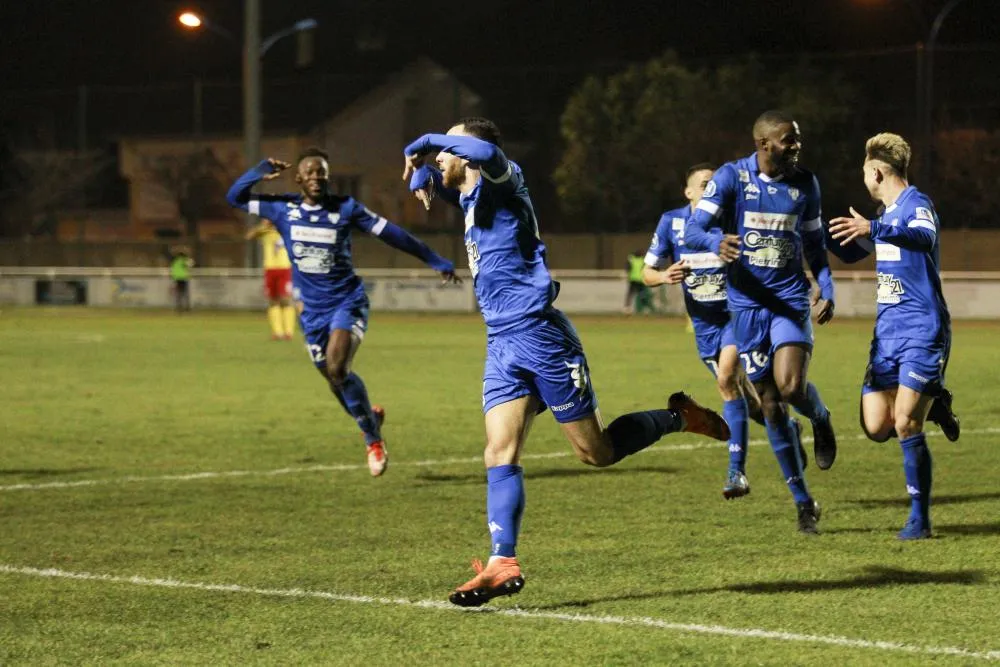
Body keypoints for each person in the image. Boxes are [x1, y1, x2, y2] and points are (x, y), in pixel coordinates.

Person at [403, 117, 730, 607]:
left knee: (594, 453)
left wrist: (425, 140)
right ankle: (502, 561)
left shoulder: (503, 176)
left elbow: (486, 158)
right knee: (498, 451)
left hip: (541, 336)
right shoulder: (474, 197)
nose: (441, 154)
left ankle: (677, 417)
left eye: (450, 147)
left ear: (470, 150)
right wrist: (422, 176)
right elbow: (439, 183)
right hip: (502, 343)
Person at [226, 147, 460, 477]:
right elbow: (234, 196)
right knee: (335, 379)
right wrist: (260, 170)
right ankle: (369, 416)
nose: (317, 178)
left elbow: (392, 234)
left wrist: (434, 259)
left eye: (322, 172)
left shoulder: (346, 209)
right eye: (310, 172)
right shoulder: (282, 209)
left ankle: (372, 440)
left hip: (347, 302)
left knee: (337, 365)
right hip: (311, 312)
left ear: (328, 177)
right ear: (299, 179)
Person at [684, 110, 835, 534]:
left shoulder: (805, 183)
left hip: (788, 301)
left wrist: (827, 288)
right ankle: (805, 502)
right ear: (764, 144)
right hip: (747, 307)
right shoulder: (733, 178)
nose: (796, 146)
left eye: (798, 139)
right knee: (770, 407)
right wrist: (716, 240)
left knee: (789, 388)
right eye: (789, 140)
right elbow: (695, 228)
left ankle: (821, 417)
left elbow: (815, 246)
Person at [642, 163, 807, 500]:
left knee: (726, 380)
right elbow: (647, 271)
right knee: (749, 403)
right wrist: (663, 277)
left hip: (738, 317)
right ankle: (788, 429)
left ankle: (737, 473)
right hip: (704, 327)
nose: (711, 189)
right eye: (704, 184)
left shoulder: (733, 219)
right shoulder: (672, 223)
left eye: (715, 184)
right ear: (688, 192)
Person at [827, 132, 959, 539]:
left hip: (923, 329)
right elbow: (854, 247)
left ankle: (919, 520)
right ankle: (934, 403)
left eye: (865, 173)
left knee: (904, 423)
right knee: (876, 426)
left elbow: (925, 238)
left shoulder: (916, 205)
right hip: (886, 336)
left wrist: (875, 226)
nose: (864, 180)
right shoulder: (882, 219)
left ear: (878, 173)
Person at [246, 219, 296, 340]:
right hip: (270, 269)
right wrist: (263, 226)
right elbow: (249, 236)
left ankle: (288, 332)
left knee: (286, 299)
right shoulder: (265, 231)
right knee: (273, 300)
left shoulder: (287, 228)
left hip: (285, 268)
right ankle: (277, 332)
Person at [624, 249, 652, 314]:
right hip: (639, 280)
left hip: (634, 279)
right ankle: (645, 308)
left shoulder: (631, 259)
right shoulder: (642, 260)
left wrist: (628, 275)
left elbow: (628, 268)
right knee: (642, 294)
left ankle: (627, 308)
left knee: (631, 294)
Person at [169, 246, 194, 313]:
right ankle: (187, 308)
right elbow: (191, 264)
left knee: (178, 294)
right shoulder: (185, 260)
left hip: (177, 278)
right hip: (184, 278)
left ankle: (179, 308)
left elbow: (172, 269)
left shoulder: (175, 261)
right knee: (185, 294)